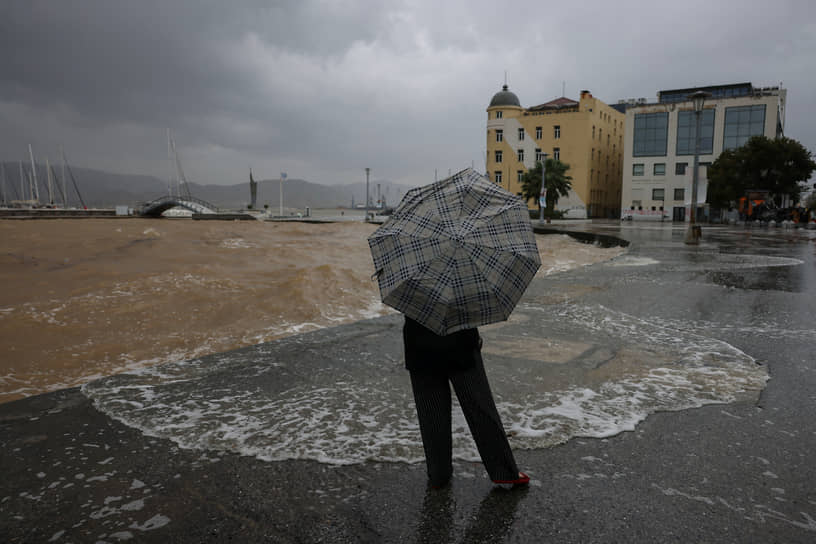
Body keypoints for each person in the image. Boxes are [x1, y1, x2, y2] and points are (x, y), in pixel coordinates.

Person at [403, 315, 529, 488]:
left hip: (418, 343)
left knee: (431, 413)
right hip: (459, 341)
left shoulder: (410, 288)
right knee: (480, 406)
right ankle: (504, 472)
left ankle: (438, 474)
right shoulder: (460, 287)